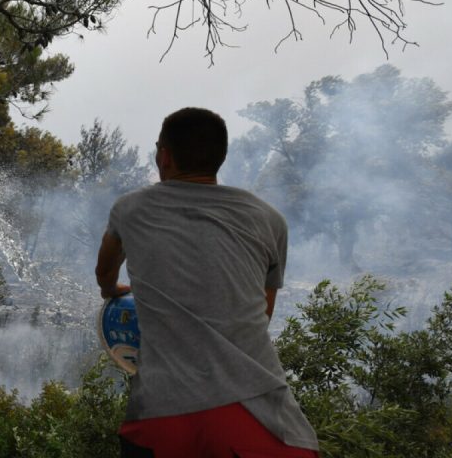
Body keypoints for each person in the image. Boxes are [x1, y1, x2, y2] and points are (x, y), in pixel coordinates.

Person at [95, 107, 319, 458]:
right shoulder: (270, 220)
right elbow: (263, 313)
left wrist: (112, 292)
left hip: (162, 419)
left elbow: (104, 271)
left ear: (164, 156)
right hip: (263, 422)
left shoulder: (131, 209)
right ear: (219, 158)